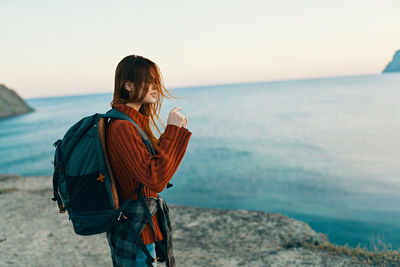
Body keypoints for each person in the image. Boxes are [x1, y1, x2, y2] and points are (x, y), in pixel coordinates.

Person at [105, 55, 192, 267]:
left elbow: (148, 167)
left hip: (139, 230)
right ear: (128, 85)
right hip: (136, 235)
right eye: (149, 81)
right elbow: (155, 178)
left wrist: (173, 132)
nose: (156, 88)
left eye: (156, 81)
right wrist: (172, 130)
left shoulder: (130, 123)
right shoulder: (122, 127)